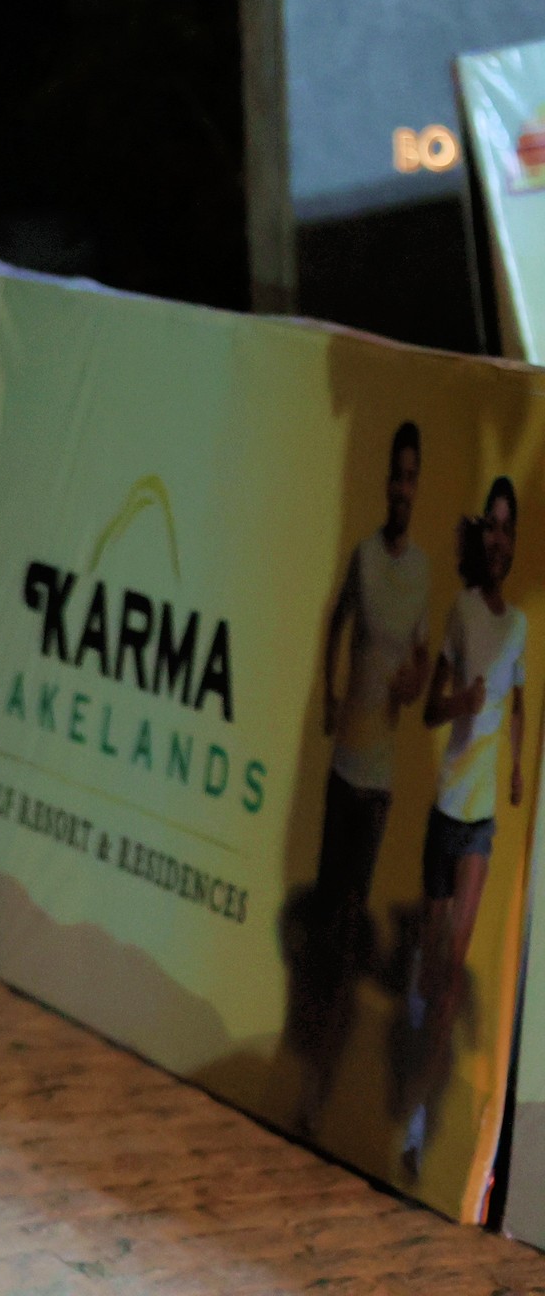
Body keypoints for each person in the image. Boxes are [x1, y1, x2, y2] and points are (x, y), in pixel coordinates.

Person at [289, 422, 427, 1133]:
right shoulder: (366, 557)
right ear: (386, 483)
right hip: (344, 764)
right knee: (323, 913)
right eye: (395, 475)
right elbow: (337, 620)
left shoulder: (422, 573)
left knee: (350, 923)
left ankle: (321, 1084)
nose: (402, 488)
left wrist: (413, 683)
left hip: (379, 783)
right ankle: (306, 1056)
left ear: (417, 487)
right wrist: (330, 693)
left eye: (411, 477)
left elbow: (422, 662)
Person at [395, 475, 525, 1181]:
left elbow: (520, 699)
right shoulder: (462, 611)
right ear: (484, 537)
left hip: (480, 824)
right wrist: (461, 703)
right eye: (492, 526)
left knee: (452, 972)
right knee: (429, 964)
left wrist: (517, 768)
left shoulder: (520, 626)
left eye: (509, 527)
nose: (499, 539)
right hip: (446, 811)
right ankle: (412, 1049)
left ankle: (418, 1124)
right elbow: (431, 710)